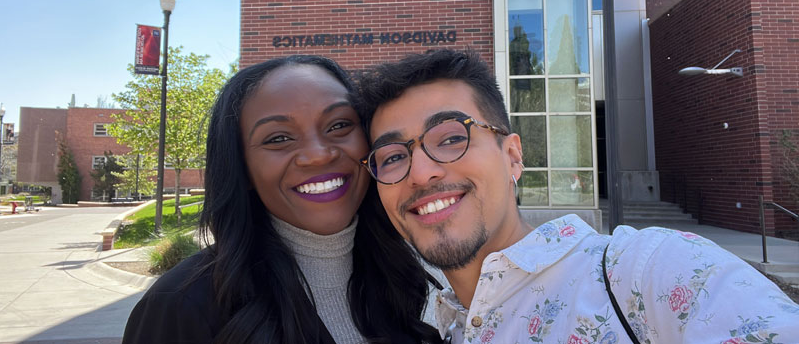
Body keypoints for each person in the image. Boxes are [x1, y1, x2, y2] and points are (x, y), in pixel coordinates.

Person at [357, 49, 799, 344]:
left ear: (512, 157)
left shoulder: (645, 271)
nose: (421, 171)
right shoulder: (429, 324)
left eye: (451, 137)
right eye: (393, 157)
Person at [123, 55, 442, 344]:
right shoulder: (182, 305)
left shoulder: (411, 277)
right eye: (278, 138)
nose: (318, 155)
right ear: (242, 168)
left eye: (340, 125)